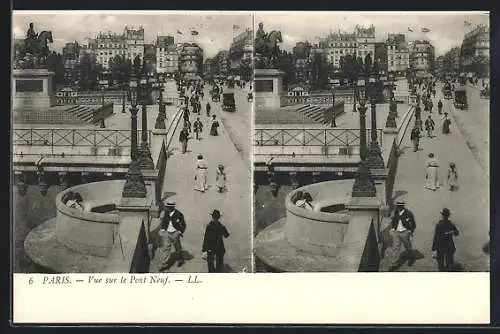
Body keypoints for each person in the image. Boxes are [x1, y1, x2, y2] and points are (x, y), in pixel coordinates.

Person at [159, 201, 187, 270]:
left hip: (175, 233)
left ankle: (180, 259)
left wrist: (180, 232)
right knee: (166, 248)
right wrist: (163, 229)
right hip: (167, 233)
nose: (166, 208)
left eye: (167, 207)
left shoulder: (179, 214)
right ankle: (164, 264)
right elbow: (163, 222)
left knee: (177, 247)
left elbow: (183, 224)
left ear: (171, 208)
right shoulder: (165, 213)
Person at [389, 201, 417, 270]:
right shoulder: (396, 212)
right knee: (396, 247)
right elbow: (394, 221)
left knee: (407, 247)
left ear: (402, 206)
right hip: (396, 232)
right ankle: (394, 263)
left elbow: (413, 224)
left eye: (399, 206)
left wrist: (410, 231)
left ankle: (410, 258)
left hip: (405, 232)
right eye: (397, 206)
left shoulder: (409, 213)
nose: (398, 207)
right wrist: (393, 228)